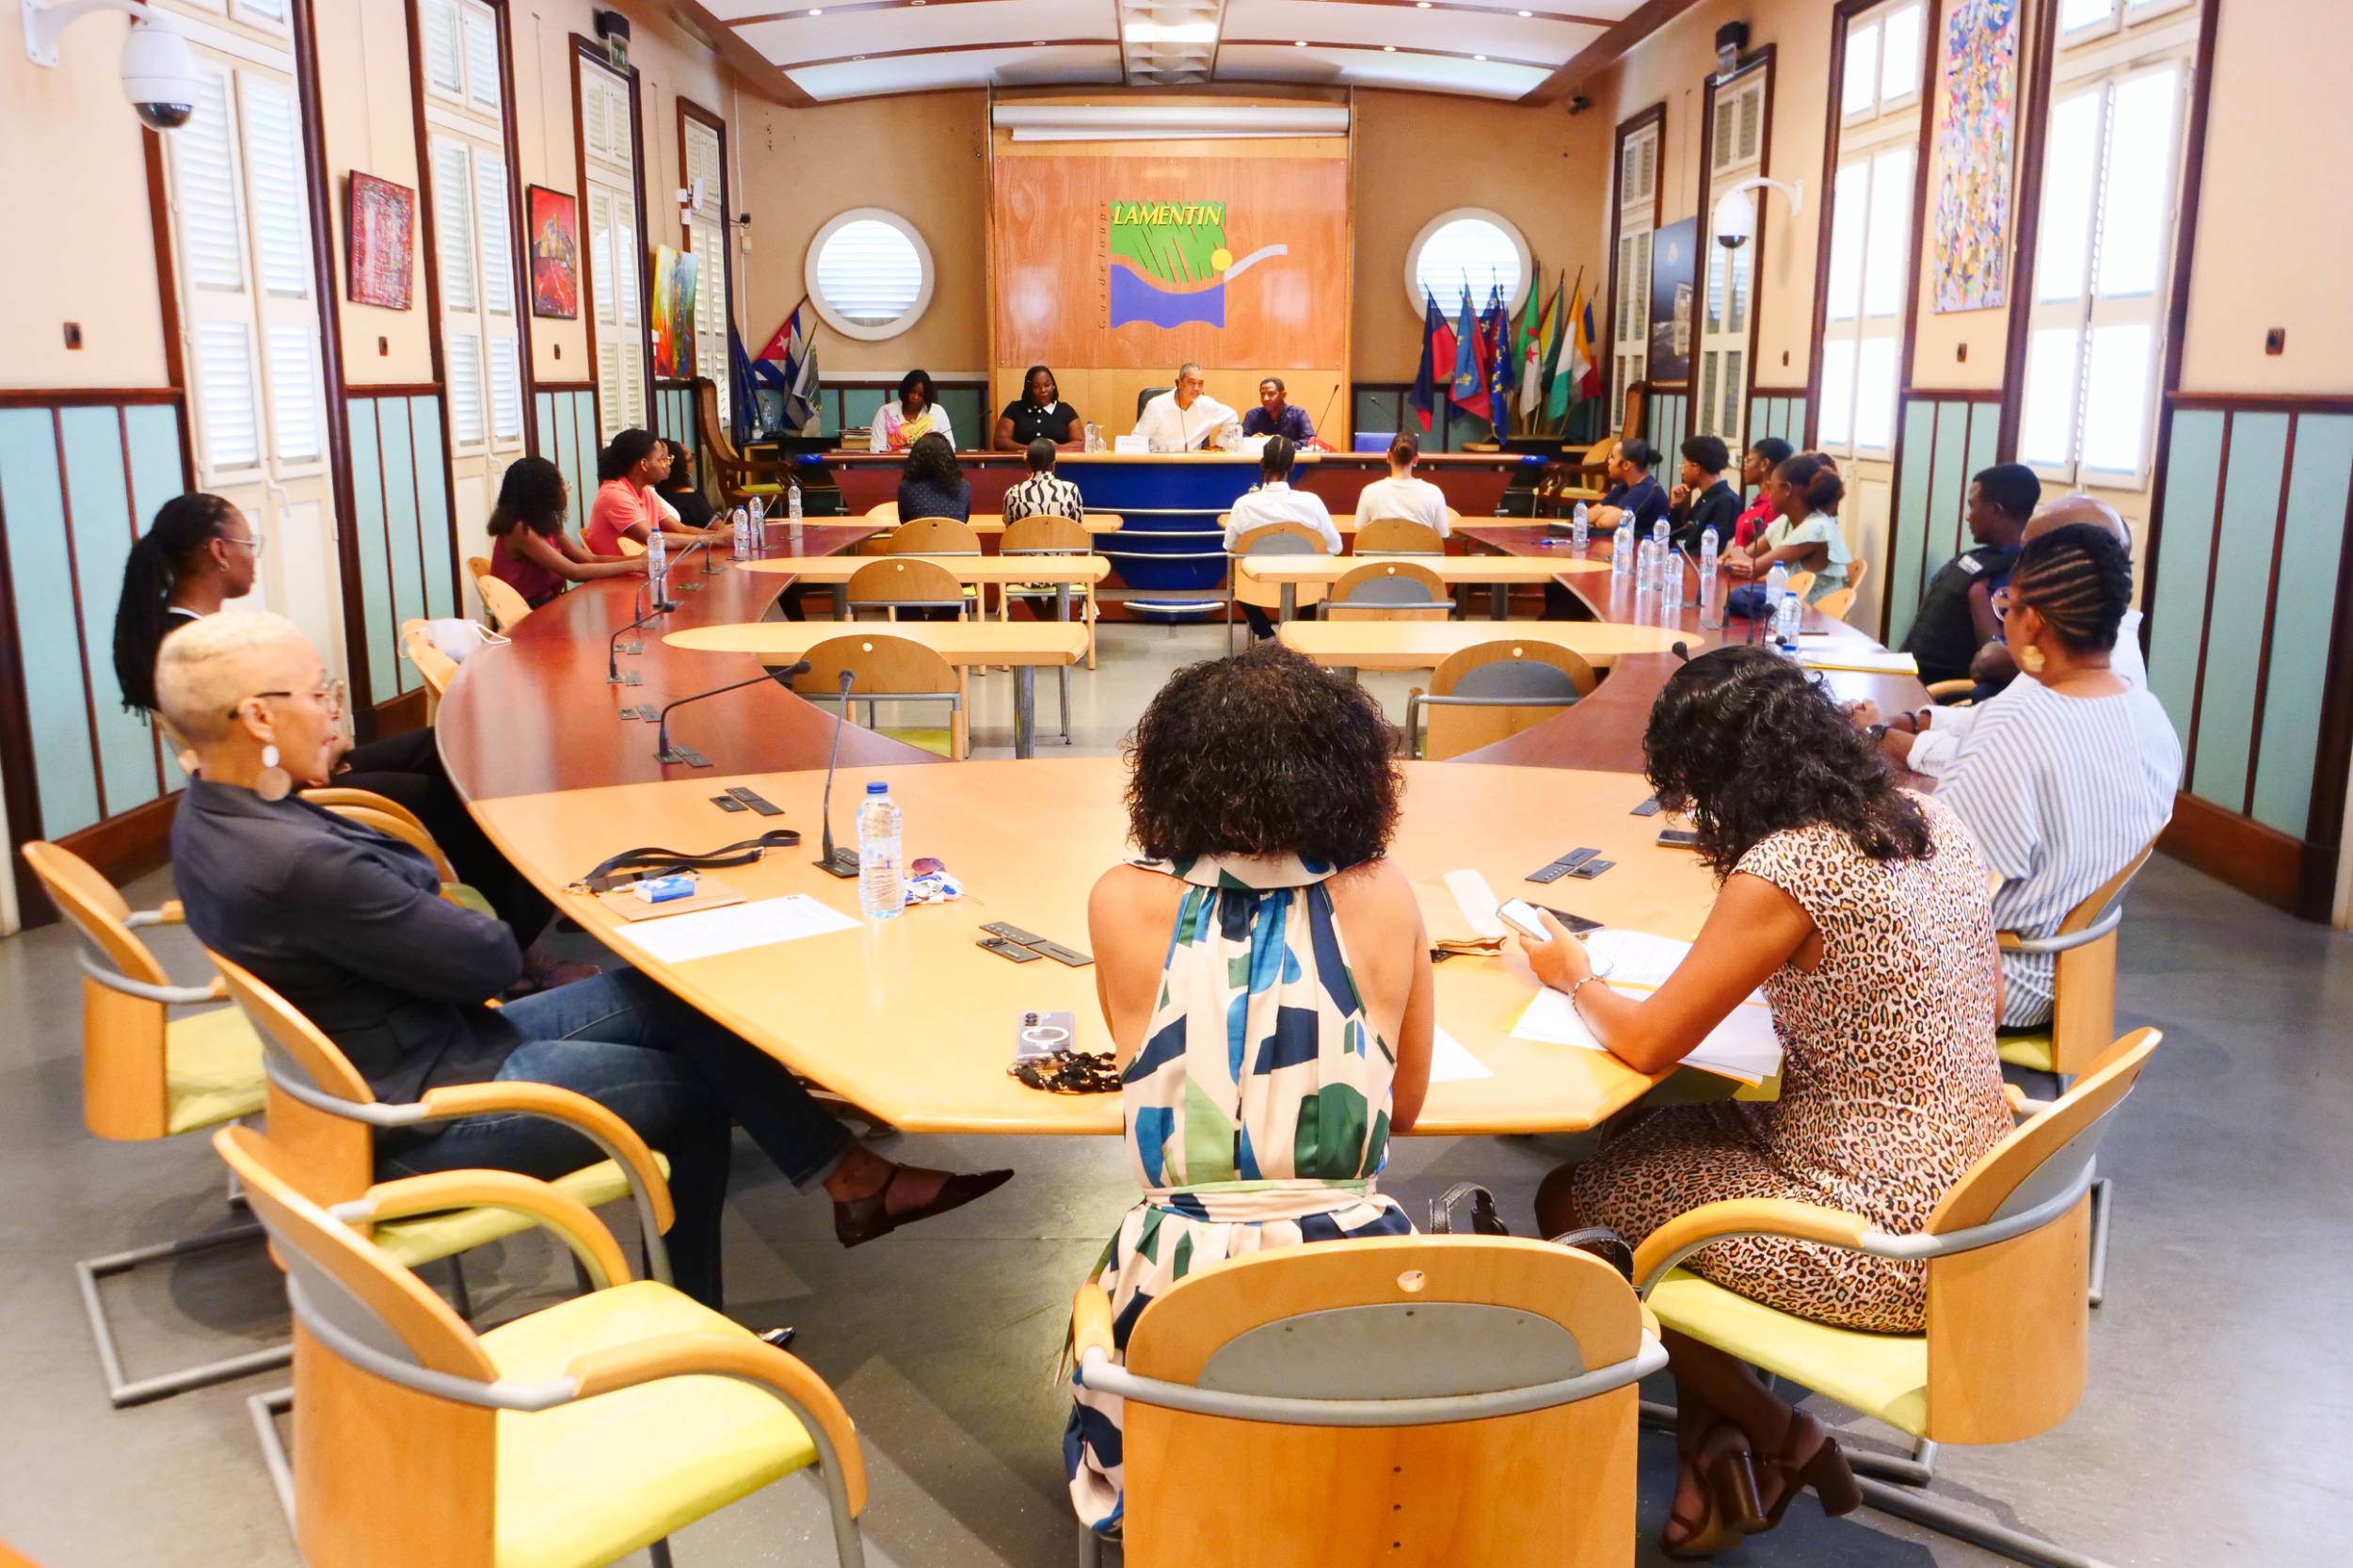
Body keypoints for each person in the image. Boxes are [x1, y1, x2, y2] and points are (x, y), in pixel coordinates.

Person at [158, 612, 1015, 1309]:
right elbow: (487, 957)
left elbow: (446, 932)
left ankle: (852, 1179)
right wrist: (436, 893)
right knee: (691, 1096)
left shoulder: (213, 817)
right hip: (427, 1108)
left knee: (682, 997)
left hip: (407, 1058)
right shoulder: (301, 861)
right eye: (321, 694)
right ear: (258, 717)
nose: (335, 712)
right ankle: (695, 1327)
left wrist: (430, 897)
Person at [1520, 645, 2010, 1556]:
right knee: (1657, 1144)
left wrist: (1573, 975)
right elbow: (1984, 1000)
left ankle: (1783, 1433)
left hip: (1881, 1236)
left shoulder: (1789, 866)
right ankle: (1715, 1452)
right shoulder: (1932, 819)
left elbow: (1648, 1041)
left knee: (1574, 1204)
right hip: (1981, 1204)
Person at [1065, 641, 1433, 1531]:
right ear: (1350, 775)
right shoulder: (1384, 896)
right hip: (1351, 1288)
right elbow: (1408, 1107)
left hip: (1180, 1303)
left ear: (1167, 778)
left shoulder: (1120, 901)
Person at [110, 493, 584, 993]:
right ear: (219, 551)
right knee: (454, 800)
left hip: (284, 767)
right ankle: (516, 947)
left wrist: (319, 732)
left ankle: (527, 898)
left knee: (444, 747)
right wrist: (323, 745)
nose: (254, 556)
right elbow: (252, 743)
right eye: (250, 544)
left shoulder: (190, 633)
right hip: (281, 788)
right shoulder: (198, 650)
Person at [1925, 524, 2180, 1030]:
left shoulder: (2019, 724)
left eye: (2008, 607)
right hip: (2074, 966)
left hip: (1994, 977)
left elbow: (1936, 880)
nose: (2006, 622)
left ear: (2034, 622)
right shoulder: (2151, 715)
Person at [1865, 497, 2147, 778]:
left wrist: (1879, 735)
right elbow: (1996, 717)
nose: (2016, 568)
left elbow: (1991, 761)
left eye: (2029, 554)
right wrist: (1911, 722)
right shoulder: (2076, 646)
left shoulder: (2098, 664)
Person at [1898, 463, 2036, 686]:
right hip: (1912, 674)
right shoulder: (1982, 560)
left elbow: (1996, 659)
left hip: (1940, 692)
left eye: (1972, 506)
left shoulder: (2011, 577)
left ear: (1995, 511)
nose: (1968, 517)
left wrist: (1978, 598)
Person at [486, 456, 645, 610]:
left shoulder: (546, 522)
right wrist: (636, 565)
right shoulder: (520, 529)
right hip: (525, 612)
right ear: (541, 494)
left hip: (545, 604)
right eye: (560, 485)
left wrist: (639, 559)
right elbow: (574, 572)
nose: (565, 490)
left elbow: (590, 559)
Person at [1222, 436, 1339, 639]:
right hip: (1305, 588)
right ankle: (1299, 633)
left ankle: (1266, 634)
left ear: (1262, 463)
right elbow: (1335, 547)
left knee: (1236, 564)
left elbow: (1230, 545)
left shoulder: (1244, 504)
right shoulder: (1312, 502)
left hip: (1255, 586)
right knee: (1324, 564)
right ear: (1292, 465)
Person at [1722, 452, 1851, 602]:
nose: (1768, 492)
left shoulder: (1816, 528)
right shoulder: (1787, 520)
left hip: (1810, 610)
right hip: (1787, 601)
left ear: (1787, 489)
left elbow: (1751, 569)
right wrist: (1735, 559)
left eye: (1771, 486)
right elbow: (1741, 563)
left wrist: (1735, 549)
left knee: (1737, 597)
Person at [584, 429, 716, 555]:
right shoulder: (615, 494)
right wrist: (716, 539)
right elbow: (654, 539)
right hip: (623, 570)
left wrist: (719, 534)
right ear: (644, 464)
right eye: (661, 459)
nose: (666, 465)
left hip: (647, 565)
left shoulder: (646, 491)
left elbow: (681, 529)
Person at [1352, 432, 1449, 537]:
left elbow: (1360, 535)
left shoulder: (1369, 492)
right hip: (1421, 549)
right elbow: (1443, 535)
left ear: (1389, 456)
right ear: (1416, 459)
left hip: (1380, 549)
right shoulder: (1434, 493)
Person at [1131, 362, 1236, 453]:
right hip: (1160, 463)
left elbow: (1231, 416)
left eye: (1200, 384)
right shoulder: (1156, 406)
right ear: (1179, 383)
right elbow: (1137, 440)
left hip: (1192, 465)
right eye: (1192, 382)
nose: (1196, 388)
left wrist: (1220, 445)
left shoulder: (1207, 405)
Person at [1667, 434, 1742, 553]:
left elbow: (1711, 550)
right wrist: (1675, 507)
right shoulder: (1705, 497)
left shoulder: (1726, 502)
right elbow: (1676, 539)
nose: (1682, 471)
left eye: (1684, 465)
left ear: (1696, 468)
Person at [1589, 439, 1669, 536]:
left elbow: (1604, 523)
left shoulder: (1646, 489)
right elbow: (1587, 516)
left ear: (1626, 465)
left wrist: (1604, 511)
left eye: (1613, 457)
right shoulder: (1624, 487)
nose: (1609, 461)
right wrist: (1610, 510)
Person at [992, 364, 1082, 451]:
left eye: (1047, 385)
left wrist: (1057, 448)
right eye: (1036, 387)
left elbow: (1081, 442)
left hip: (1058, 460)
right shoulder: (1015, 408)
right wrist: (1032, 449)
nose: (1043, 390)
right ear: (1029, 389)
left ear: (1053, 386)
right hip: (1023, 460)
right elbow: (1000, 441)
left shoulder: (1065, 410)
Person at [1002, 438, 1086, 524]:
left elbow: (1010, 528)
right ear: (1053, 466)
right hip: (1061, 534)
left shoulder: (1013, 494)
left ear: (1028, 464)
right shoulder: (1071, 490)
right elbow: (1077, 527)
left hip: (1027, 534)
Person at [870, 369, 953, 454]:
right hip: (893, 462)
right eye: (913, 392)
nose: (916, 397)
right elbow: (876, 451)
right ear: (905, 390)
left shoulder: (938, 412)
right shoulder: (885, 412)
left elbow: (950, 450)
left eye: (921, 395)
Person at [1731, 437, 1793, 550]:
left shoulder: (1774, 505)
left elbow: (1761, 550)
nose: (1744, 467)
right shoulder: (1759, 500)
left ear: (1764, 464)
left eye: (1748, 461)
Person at [896, 431, 972, 522]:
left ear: (915, 460)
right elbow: (964, 522)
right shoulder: (964, 487)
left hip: (919, 532)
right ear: (949, 458)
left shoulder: (906, 487)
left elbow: (904, 523)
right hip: (954, 532)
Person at [654, 439, 717, 532]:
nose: (665, 464)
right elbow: (721, 530)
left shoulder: (652, 493)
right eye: (691, 459)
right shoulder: (692, 499)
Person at [1240, 376, 1316, 444]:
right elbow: (1240, 441)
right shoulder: (1252, 415)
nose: (1265, 399)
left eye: (1271, 394)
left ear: (1283, 395)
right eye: (1263, 394)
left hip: (1289, 455)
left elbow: (1310, 440)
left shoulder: (1298, 414)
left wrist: (1285, 445)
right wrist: (1251, 441)